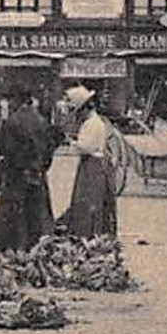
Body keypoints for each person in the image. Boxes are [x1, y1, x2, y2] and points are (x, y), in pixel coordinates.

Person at [0, 90, 60, 252]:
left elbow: (4, 149)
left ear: (16, 100)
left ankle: (16, 247)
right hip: (37, 173)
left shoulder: (13, 122)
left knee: (16, 213)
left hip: (16, 174)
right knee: (36, 211)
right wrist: (43, 165)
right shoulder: (41, 120)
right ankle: (34, 246)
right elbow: (52, 144)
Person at [61, 84, 118, 238]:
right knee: (89, 200)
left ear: (85, 109)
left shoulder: (92, 124)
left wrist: (73, 143)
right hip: (92, 163)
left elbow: (86, 146)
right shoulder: (94, 122)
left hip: (93, 165)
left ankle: (89, 232)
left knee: (89, 201)